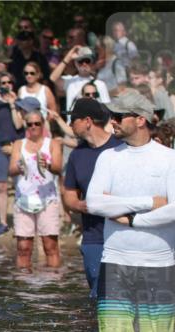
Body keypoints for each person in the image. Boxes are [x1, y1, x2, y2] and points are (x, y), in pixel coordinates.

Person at [85, 91, 175, 332]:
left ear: (140, 120)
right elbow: (94, 203)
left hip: (160, 264)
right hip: (115, 262)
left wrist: (134, 219)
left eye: (118, 116)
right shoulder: (107, 158)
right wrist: (147, 203)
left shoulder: (169, 159)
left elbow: (174, 209)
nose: (111, 120)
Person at [61, 98, 122, 297]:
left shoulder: (121, 148)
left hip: (122, 235)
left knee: (121, 295)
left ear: (87, 121)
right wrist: (83, 205)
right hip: (93, 238)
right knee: (98, 296)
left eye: (73, 120)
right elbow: (69, 196)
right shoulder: (77, 155)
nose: (70, 125)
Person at [8, 111, 63, 269]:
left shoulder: (52, 144)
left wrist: (47, 165)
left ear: (43, 124)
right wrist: (19, 166)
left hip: (47, 199)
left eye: (37, 124)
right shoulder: (19, 144)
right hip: (23, 199)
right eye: (29, 124)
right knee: (23, 247)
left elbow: (59, 168)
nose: (33, 127)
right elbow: (11, 170)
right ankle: (25, 286)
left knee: (50, 246)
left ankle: (52, 284)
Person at [0, 73, 25, 236]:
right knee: (1, 185)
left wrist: (12, 104)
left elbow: (18, 124)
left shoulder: (19, 102)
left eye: (9, 82)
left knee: (20, 184)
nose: (7, 85)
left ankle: (20, 220)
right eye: (3, 83)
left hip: (16, 145)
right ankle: (2, 222)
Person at [51, 46, 111, 120]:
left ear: (92, 63)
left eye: (87, 61)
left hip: (94, 126)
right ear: (76, 63)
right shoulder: (70, 82)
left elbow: (106, 110)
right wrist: (68, 57)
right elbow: (53, 78)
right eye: (80, 61)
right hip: (72, 127)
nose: (84, 64)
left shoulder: (100, 84)